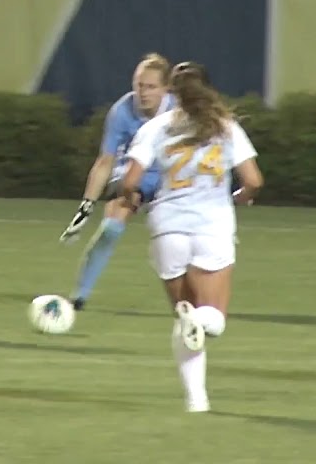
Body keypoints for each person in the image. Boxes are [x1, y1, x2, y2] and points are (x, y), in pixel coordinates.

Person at [121, 62, 262, 413]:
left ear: (172, 92)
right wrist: (240, 197)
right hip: (212, 226)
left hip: (167, 227)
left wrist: (131, 198)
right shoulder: (226, 128)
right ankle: (198, 324)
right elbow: (254, 180)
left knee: (185, 320)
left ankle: (196, 400)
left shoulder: (156, 127)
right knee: (211, 319)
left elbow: (129, 179)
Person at [59, 53, 175, 310]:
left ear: (166, 89)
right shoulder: (122, 111)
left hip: (171, 179)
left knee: (175, 241)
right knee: (112, 227)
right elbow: (105, 162)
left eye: (151, 87)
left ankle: (191, 301)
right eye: (139, 85)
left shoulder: (179, 110)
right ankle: (80, 296)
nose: (143, 93)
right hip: (133, 176)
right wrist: (85, 208)